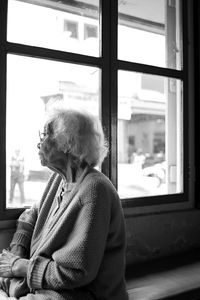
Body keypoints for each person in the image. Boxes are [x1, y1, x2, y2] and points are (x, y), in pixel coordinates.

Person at [0, 105, 128, 300]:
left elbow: (76, 273)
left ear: (68, 144)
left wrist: (18, 265)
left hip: (82, 294)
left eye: (45, 136)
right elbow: (32, 213)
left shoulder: (95, 189)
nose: (39, 144)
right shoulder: (59, 180)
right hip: (48, 286)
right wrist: (18, 248)